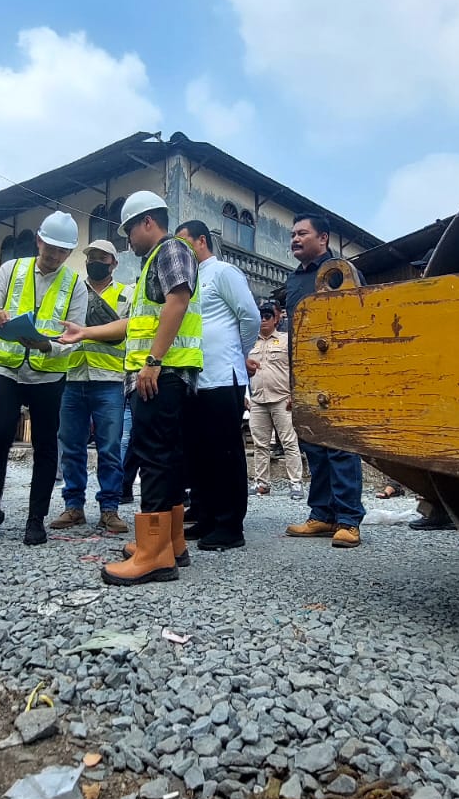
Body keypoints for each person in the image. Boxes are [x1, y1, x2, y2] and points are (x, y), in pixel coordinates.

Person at [58, 190, 199, 587]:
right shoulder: (153, 264)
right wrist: (84, 331)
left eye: (129, 230)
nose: (127, 240)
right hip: (163, 373)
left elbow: (178, 302)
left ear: (147, 222)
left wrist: (152, 361)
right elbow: (132, 324)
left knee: (153, 459)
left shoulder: (171, 250)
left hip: (161, 374)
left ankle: (153, 556)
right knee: (165, 458)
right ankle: (172, 543)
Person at [0, 212, 87, 546]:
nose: (55, 256)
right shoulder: (12, 269)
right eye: (50, 248)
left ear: (69, 253)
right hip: (6, 367)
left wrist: (47, 346)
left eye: (62, 251)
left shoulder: (74, 284)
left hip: (47, 374)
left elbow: (74, 336)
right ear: (39, 241)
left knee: (46, 444)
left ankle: (35, 518)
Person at [174, 221, 259, 551]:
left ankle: (230, 525)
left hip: (224, 376)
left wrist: (239, 351)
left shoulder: (223, 272)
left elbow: (249, 315)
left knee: (225, 452)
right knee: (199, 453)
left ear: (202, 241)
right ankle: (207, 516)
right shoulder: (186, 281)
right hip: (194, 379)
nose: (179, 251)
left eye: (185, 243)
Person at [284, 213, 365, 548]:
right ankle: (322, 515)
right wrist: (292, 380)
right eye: (293, 235)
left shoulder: (340, 272)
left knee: (340, 446)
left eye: (302, 233)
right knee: (314, 444)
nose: (295, 239)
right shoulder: (293, 280)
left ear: (323, 238)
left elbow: (359, 318)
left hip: (339, 372)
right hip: (306, 374)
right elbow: (294, 335)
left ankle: (349, 520)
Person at [52, 238, 131, 535]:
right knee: (71, 446)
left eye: (102, 257)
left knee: (110, 448)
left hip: (109, 380)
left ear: (114, 262)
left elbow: (129, 329)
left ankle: (109, 509)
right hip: (72, 377)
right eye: (91, 257)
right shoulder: (73, 294)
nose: (95, 261)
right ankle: (74, 506)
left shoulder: (126, 294)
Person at [246, 301, 305, 500]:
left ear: (276, 319)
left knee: (289, 441)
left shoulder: (286, 340)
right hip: (258, 400)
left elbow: (297, 369)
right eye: (260, 316)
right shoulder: (249, 342)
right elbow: (242, 370)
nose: (263, 320)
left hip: (282, 398)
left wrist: (294, 395)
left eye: (267, 316)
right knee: (260, 444)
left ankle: (296, 483)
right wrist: (247, 397)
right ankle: (262, 483)